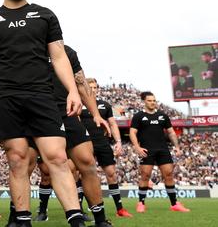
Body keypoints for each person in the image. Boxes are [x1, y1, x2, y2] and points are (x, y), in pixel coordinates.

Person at [0, 0, 86, 227]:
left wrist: (72, 90)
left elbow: (58, 57)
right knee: (18, 158)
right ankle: (22, 219)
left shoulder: (45, 15)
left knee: (57, 156)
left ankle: (76, 218)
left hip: (41, 95)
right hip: (6, 97)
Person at [26, 45, 112, 227]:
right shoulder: (27, 48)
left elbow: (81, 83)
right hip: (36, 114)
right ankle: (21, 217)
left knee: (87, 162)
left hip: (66, 113)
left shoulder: (67, 51)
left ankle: (100, 219)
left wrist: (96, 114)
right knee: (26, 166)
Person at [129, 91, 190, 213]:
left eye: (154, 100)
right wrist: (137, 147)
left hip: (163, 149)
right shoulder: (138, 116)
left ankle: (174, 204)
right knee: (145, 175)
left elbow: (171, 132)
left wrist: (177, 147)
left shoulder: (163, 115)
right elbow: (132, 132)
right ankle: (141, 203)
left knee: (168, 175)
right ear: (144, 102)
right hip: (147, 149)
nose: (152, 103)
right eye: (149, 100)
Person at [83, 79, 132, 218]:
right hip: (84, 144)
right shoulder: (80, 104)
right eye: (90, 87)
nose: (93, 89)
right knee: (84, 175)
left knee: (111, 173)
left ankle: (120, 209)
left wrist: (118, 142)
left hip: (102, 143)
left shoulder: (104, 105)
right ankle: (81, 210)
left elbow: (112, 124)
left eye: (95, 87)